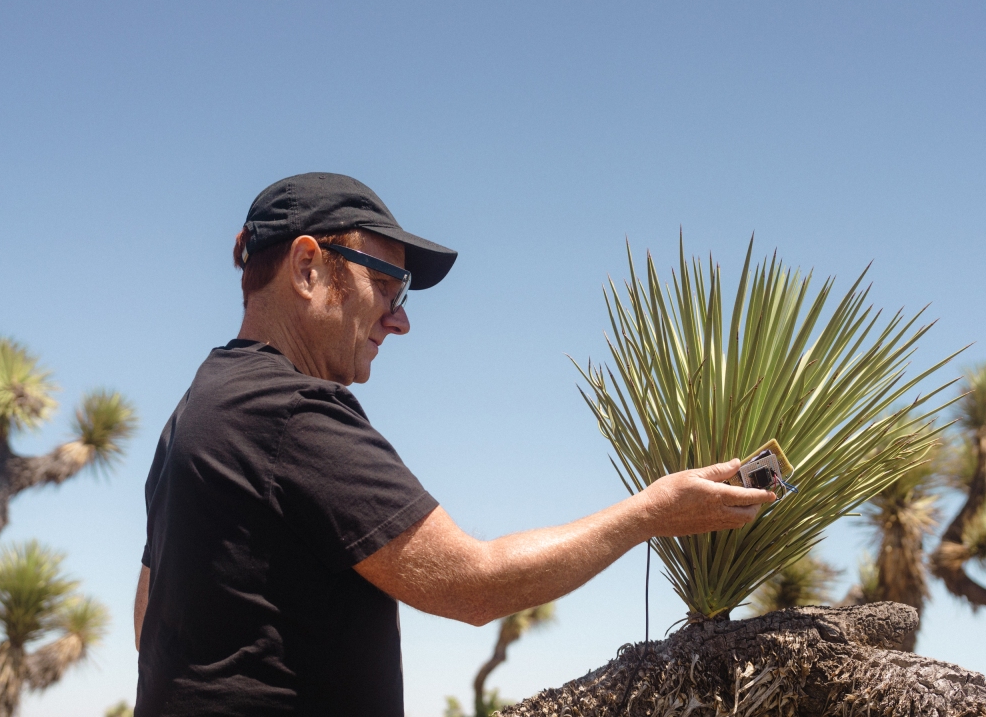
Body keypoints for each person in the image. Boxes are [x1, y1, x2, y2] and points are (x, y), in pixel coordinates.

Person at [133, 172, 776, 716]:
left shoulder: (196, 411)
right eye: (388, 284)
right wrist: (653, 513)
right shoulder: (290, 412)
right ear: (307, 268)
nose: (401, 318)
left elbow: (148, 621)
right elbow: (472, 586)